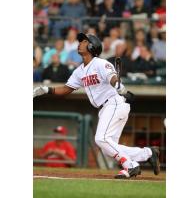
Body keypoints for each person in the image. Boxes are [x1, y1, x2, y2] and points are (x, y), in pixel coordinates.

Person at [33, 33, 160, 179]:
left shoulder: (100, 63)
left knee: (101, 139)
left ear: (92, 46)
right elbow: (66, 89)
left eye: (84, 41)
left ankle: (131, 165)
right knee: (108, 147)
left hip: (114, 102)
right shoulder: (79, 70)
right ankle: (149, 153)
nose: (79, 43)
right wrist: (46, 90)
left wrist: (119, 86)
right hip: (106, 108)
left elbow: (112, 77)